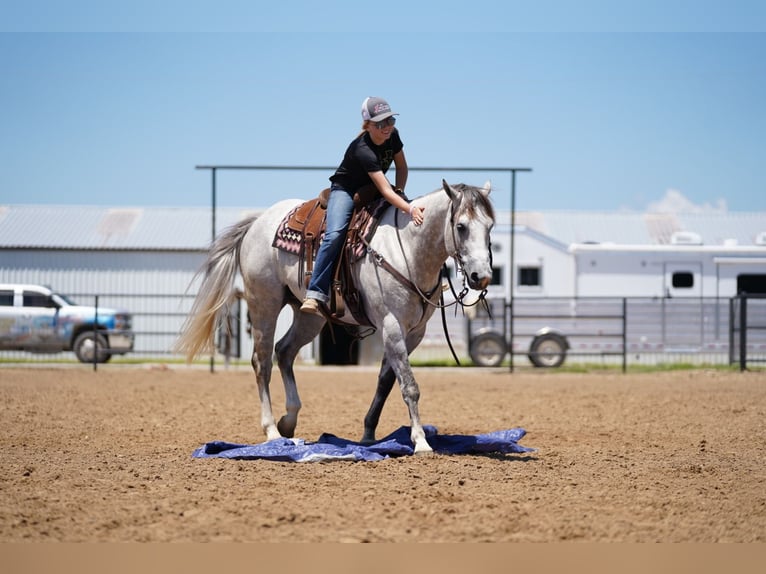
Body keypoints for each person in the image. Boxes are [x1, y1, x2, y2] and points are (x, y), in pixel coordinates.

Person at [301, 96, 425, 316]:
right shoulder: (362, 149)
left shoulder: (393, 136)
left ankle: (422, 283)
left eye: (390, 121)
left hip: (375, 187)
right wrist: (409, 207)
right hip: (346, 190)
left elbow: (402, 167)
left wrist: (401, 191)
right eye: (380, 123)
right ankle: (315, 292)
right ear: (368, 125)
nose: (387, 127)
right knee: (335, 233)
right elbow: (386, 191)